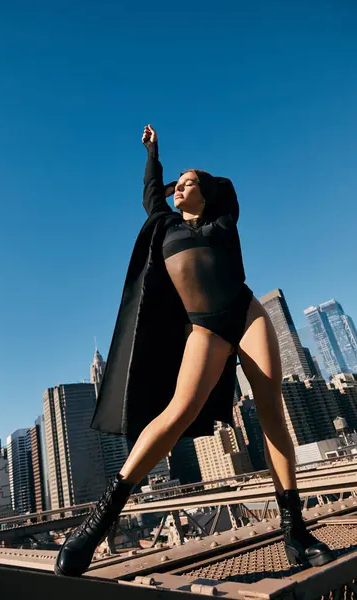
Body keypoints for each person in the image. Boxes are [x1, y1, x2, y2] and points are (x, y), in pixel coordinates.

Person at [54, 125, 334, 578]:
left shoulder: (225, 221)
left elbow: (226, 188)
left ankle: (294, 530)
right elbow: (151, 192)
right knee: (176, 412)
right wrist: (155, 157)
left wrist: (196, 178)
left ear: (206, 192)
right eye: (177, 185)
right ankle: (96, 525)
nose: (180, 188)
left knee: (271, 409)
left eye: (189, 183)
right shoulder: (163, 223)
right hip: (205, 328)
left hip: (245, 312)